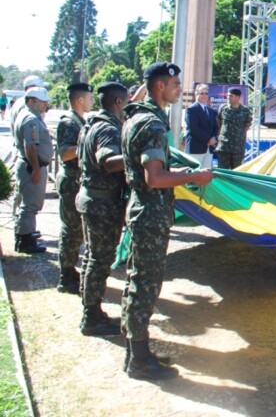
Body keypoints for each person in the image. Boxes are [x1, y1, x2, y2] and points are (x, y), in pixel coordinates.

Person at [120, 62, 214, 380]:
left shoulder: (139, 117)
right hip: (150, 214)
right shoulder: (152, 125)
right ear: (159, 86)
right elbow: (155, 178)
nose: (179, 88)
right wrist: (193, 177)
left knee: (137, 282)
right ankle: (138, 361)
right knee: (144, 285)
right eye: (175, 83)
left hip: (143, 211)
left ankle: (137, 351)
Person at [76, 82, 129, 337]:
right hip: (102, 204)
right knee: (99, 260)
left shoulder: (90, 124)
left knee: (91, 258)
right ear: (118, 102)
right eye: (127, 101)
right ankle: (91, 317)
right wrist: (135, 157)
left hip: (91, 199)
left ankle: (91, 311)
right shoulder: (108, 128)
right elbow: (108, 162)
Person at [54, 82, 94, 294]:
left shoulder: (79, 120)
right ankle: (66, 275)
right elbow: (64, 153)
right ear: (80, 99)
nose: (92, 101)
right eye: (89, 98)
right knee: (71, 230)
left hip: (76, 180)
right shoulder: (69, 122)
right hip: (71, 181)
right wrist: (87, 146)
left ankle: (69, 270)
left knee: (76, 230)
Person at [12, 86, 53, 254]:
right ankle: (25, 240)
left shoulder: (29, 116)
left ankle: (25, 234)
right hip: (32, 166)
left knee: (27, 203)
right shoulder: (31, 120)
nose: (45, 105)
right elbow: (30, 146)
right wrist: (36, 169)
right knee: (30, 205)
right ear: (31, 101)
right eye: (41, 102)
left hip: (30, 165)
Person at [216, 88, 253, 169]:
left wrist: (238, 135)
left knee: (237, 170)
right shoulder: (223, 108)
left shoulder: (245, 110)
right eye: (228, 96)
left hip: (238, 147)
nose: (228, 98)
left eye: (231, 96)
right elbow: (219, 122)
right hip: (224, 146)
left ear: (238, 97)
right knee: (222, 171)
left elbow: (247, 126)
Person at [184, 84, 218, 168]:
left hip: (208, 150)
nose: (204, 96)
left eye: (206, 93)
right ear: (196, 94)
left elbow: (215, 127)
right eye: (201, 93)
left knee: (206, 175)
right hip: (195, 148)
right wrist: (208, 139)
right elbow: (194, 128)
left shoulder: (211, 111)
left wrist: (214, 138)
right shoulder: (191, 110)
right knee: (194, 175)